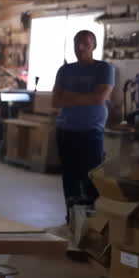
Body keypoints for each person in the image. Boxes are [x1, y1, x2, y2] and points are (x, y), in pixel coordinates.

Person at [52, 29, 113, 215]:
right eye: (77, 43)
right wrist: (84, 96)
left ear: (93, 45)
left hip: (90, 132)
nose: (80, 47)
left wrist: (69, 96)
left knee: (91, 179)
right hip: (65, 131)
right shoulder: (65, 70)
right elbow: (55, 101)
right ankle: (72, 219)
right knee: (69, 178)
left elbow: (98, 98)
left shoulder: (104, 68)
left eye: (85, 43)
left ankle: (92, 222)